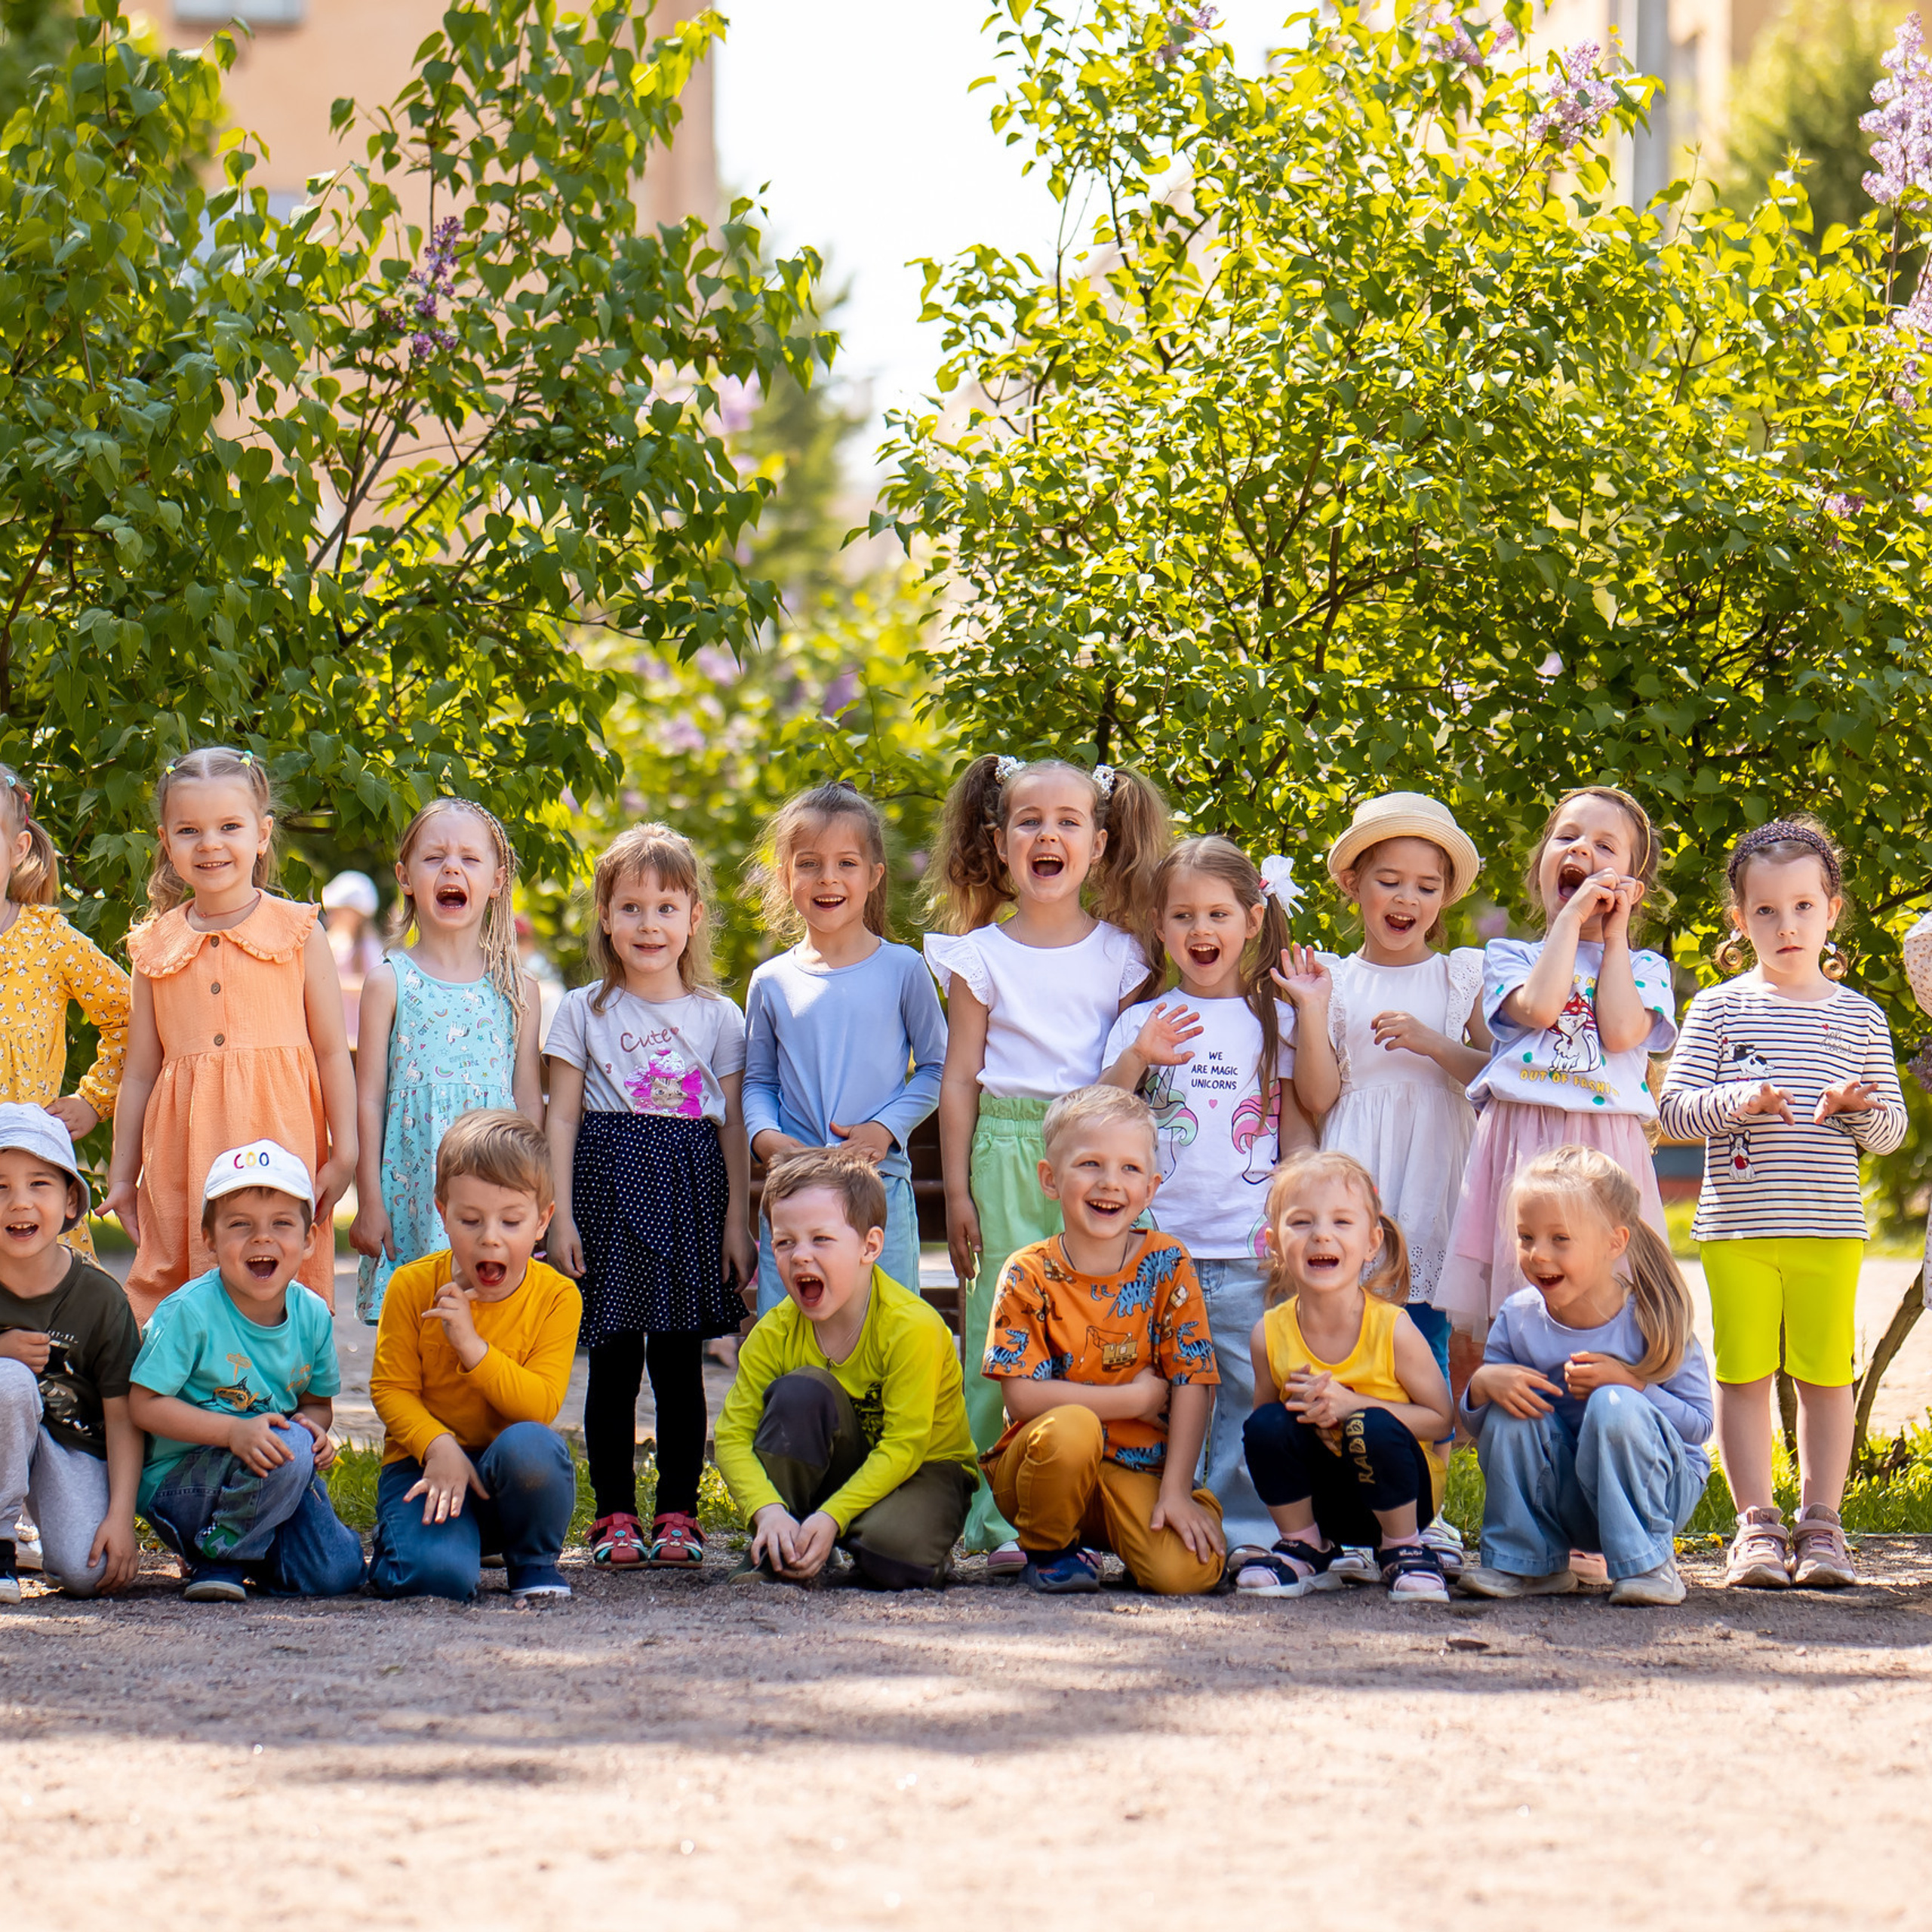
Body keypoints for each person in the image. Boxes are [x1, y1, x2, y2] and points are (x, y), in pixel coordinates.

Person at [924, 754, 1169, 1567]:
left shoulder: (1124, 955)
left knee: (1094, 1324)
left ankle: (1083, 1504)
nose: (1047, 835)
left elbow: (1132, 1073)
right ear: (999, 842)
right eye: (1029, 821)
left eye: (1068, 822)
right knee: (1002, 1328)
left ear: (1097, 846)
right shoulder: (979, 956)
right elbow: (960, 1076)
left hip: (1097, 1149)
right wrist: (956, 1188)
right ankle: (999, 1516)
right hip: (1005, 1145)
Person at [1660, 818, 1905, 1590]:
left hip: (1828, 1231)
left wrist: (1855, 1107)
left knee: (1827, 1377)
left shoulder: (1861, 1016)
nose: (1785, 924)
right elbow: (1672, 1112)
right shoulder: (1719, 1010)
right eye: (1764, 911)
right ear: (1739, 921)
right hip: (1735, 1230)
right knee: (1743, 1376)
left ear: (1831, 910)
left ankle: (1822, 1526)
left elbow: (1892, 1131)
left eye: (1802, 906)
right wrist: (1736, 1100)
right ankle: (1756, 1527)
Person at [547, 824, 754, 1572]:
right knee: (609, 1363)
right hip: (604, 1192)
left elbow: (730, 1128)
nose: (648, 924)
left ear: (694, 917)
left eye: (666, 907)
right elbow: (561, 1115)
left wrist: (738, 1220)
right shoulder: (581, 1010)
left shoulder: (719, 1017)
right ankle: (612, 1512)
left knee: (677, 1365)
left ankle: (677, 1512)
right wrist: (560, 1212)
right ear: (605, 916)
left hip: (687, 1196)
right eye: (630, 907)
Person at [1099, 835, 1315, 1554]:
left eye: (1219, 914)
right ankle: (1149, 1523)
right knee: (1158, 1389)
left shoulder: (1273, 1019)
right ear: (1159, 928)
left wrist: (1310, 1016)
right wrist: (1138, 1057)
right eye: (1183, 916)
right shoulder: (1144, 1021)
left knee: (1247, 1391)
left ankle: (1244, 1531)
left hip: (1248, 1248)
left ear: (1253, 921)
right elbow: (1097, 1119)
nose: (1201, 931)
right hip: (1156, 1252)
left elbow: (1316, 1105)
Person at [103, 749, 357, 1321]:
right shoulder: (154, 948)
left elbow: (331, 1053)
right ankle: (182, 1403)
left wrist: (346, 1153)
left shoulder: (298, 932)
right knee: (180, 1277)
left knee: (273, 1276)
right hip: (183, 1151)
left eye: (229, 827)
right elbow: (140, 1071)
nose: (210, 844)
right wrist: (122, 1175)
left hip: (278, 1134)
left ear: (263, 835)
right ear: (166, 842)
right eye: (189, 830)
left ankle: (282, 1400)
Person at [1434, 786, 1676, 1331]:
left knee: (1612, 1293)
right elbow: (1541, 1008)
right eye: (1566, 838)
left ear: (1633, 888)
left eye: (1605, 846)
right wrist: (1568, 922)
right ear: (1539, 866)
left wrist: (1614, 939)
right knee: (1518, 1293)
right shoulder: (1510, 957)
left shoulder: (1644, 969)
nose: (1582, 851)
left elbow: (1618, 1032)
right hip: (1521, 1140)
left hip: (1607, 1143)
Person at [980, 1085, 1225, 1596]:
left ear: (1152, 1188)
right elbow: (1022, 1396)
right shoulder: (1027, 1272)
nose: (1110, 1183)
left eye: (1130, 1169)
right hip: (1042, 1470)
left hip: (1135, 1467)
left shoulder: (1167, 1263)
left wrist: (1176, 1490)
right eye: (1090, 1164)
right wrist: (1133, 1399)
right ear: (1051, 1178)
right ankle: (1049, 1551)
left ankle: (1149, 1523)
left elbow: (1193, 1380)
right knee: (1072, 1428)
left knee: (1186, 1574)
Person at [1281, 792, 1489, 1380]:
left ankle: (1430, 1460)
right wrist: (1314, 1009)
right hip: (1361, 1171)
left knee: (1427, 1338)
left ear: (1444, 897)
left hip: (1435, 1175)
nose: (1407, 899)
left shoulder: (1459, 977)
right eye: (1390, 881)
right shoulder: (1336, 980)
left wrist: (1435, 1044)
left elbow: (1493, 1077)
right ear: (1353, 883)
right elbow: (1318, 1099)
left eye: (1427, 886)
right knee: (1350, 1324)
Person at [1459, 1146, 1712, 1606]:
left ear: (1613, 1243)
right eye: (1526, 1237)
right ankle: (1528, 1563)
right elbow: (1482, 1429)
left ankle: (1650, 1564)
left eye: (1560, 1239)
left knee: (1614, 1406)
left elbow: (1700, 1427)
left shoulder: (1650, 1317)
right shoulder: (1519, 1318)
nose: (1538, 1255)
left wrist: (1632, 1385)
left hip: (1656, 1495)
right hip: (1566, 1501)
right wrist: (1483, 1386)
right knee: (1513, 1412)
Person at [715, 1148, 978, 1589]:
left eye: (820, 1239)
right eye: (784, 1242)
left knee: (894, 1561)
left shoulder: (911, 1327)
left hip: (925, 1470)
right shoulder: (773, 1332)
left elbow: (905, 1447)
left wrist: (834, 1517)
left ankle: (847, 1534)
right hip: (842, 1465)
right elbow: (732, 1435)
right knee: (801, 1392)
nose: (799, 1256)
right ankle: (781, 1541)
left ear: (870, 1246)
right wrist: (767, 1509)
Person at [128, 1140, 365, 1601]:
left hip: (269, 1475)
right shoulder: (189, 1313)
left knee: (338, 1573)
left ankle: (247, 1554)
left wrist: (314, 1432)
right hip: (183, 1486)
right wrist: (233, 1434)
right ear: (210, 1238)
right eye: (241, 1225)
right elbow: (143, 1404)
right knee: (288, 1447)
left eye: (282, 1224)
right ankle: (221, 1556)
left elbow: (317, 1406)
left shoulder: (312, 1315)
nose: (263, 1239)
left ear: (310, 1239)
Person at [743, 781, 945, 1317]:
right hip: (794, 1194)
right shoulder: (771, 980)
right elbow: (758, 1081)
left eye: (846, 863)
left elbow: (937, 1068)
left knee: (887, 1327)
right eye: (808, 863)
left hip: (877, 1191)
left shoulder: (903, 969)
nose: (828, 878)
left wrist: (885, 1130)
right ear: (785, 876)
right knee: (788, 1336)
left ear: (875, 876)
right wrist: (766, 1138)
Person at [368, 1109, 580, 1602]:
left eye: (511, 1221)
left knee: (534, 1449)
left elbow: (540, 1406)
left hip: (508, 1468)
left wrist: (472, 1348)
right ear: (442, 1214)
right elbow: (390, 1389)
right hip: (425, 1463)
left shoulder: (557, 1297)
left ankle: (530, 1560)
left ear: (542, 1220)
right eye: (470, 1220)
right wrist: (437, 1446)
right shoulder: (412, 1284)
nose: (490, 1237)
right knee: (435, 1581)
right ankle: (414, 1547)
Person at [350, 799, 544, 1324]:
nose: (452, 869)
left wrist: (534, 1197)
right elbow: (367, 1098)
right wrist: (369, 1197)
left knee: (491, 1327)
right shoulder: (390, 983)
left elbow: (528, 1101)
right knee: (419, 1332)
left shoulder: (517, 990)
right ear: (405, 877)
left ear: (498, 880)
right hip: (413, 1191)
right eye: (434, 857)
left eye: (470, 859)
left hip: (495, 1195)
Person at [1237, 1151, 1456, 1602]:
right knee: (1265, 1424)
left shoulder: (1393, 1328)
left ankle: (1403, 1550)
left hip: (1402, 1499)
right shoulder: (1269, 1334)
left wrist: (1354, 1404)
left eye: (1341, 1222)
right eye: (1300, 1223)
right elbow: (1267, 1433)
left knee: (1369, 1425)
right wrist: (1302, 1412)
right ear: (1274, 1242)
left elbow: (1441, 1421)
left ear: (1372, 1242)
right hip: (1325, 1501)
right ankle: (1305, 1545)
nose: (1321, 1235)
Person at [0, 1106, 142, 1601]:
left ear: (70, 1201)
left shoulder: (100, 1298)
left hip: (68, 1445)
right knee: (8, 1382)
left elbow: (124, 1417)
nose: (18, 1203)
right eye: (0, 1187)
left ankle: (40, 1532)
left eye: (38, 1184)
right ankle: (2, 1546)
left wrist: (121, 1519)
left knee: (92, 1571)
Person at [0, 761, 131, 1262]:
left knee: (49, 1317)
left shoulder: (47, 938)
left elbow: (130, 1014)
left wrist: (94, 1099)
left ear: (17, 849)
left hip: (32, 1179)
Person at [321, 869, 383, 1048]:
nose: (330, 916)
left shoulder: (367, 947)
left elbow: (374, 987)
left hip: (357, 1038)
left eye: (337, 911)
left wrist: (334, 985)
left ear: (355, 914)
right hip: (335, 1036)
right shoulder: (333, 942)